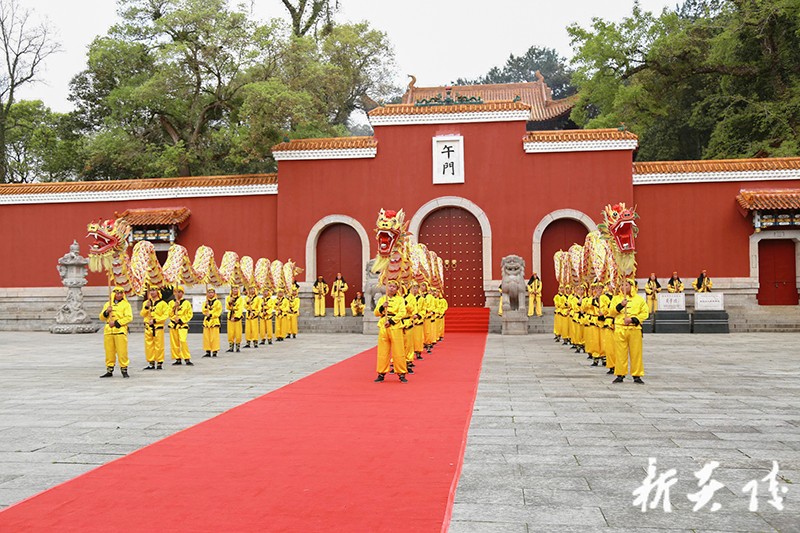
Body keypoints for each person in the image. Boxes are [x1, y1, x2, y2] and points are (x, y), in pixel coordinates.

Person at [609, 279, 649, 384]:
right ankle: (620, 374)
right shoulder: (616, 298)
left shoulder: (639, 299)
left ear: (631, 286)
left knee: (636, 353)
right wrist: (620, 305)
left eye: (626, 285)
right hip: (620, 328)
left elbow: (645, 313)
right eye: (622, 285)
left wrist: (633, 319)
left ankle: (637, 375)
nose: (623, 287)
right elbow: (611, 312)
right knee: (620, 353)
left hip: (634, 329)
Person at [373, 280, 408, 383]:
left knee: (398, 350)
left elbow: (402, 312)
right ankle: (381, 373)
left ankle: (401, 373)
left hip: (395, 325)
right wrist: (381, 307)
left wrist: (392, 321)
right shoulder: (383, 299)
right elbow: (376, 313)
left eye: (394, 287)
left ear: (397, 289)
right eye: (390, 286)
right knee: (382, 351)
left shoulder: (400, 300)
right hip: (384, 324)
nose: (391, 288)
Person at [99, 286, 133, 378]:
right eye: (117, 293)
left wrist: (116, 322)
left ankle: (124, 369)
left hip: (120, 330)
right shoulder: (108, 304)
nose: (119, 295)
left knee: (122, 351)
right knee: (109, 351)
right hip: (108, 331)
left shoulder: (126, 305)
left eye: (121, 293)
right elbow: (101, 317)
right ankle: (109, 369)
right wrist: (107, 311)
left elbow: (129, 317)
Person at [141, 286, 169, 370]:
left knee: (159, 345)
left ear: (158, 292)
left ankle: (159, 362)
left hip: (158, 328)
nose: (152, 292)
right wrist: (146, 307)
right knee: (149, 346)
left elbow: (165, 315)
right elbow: (142, 314)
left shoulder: (163, 303)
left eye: (154, 290)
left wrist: (156, 320)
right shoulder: (146, 302)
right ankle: (151, 362)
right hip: (148, 327)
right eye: (150, 291)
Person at [169, 285, 193, 366]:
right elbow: (169, 313)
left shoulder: (186, 303)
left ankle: (186, 358)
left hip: (182, 325)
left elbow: (189, 314)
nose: (177, 294)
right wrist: (174, 308)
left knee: (183, 341)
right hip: (174, 325)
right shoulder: (171, 303)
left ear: (182, 293)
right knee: (174, 342)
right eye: (176, 292)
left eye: (179, 292)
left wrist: (181, 319)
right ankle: (177, 358)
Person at [202, 286, 222, 357]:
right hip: (207, 321)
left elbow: (218, 311)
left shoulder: (217, 302)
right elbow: (203, 311)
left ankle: (214, 350)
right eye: (209, 292)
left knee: (214, 337)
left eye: (212, 292)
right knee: (206, 337)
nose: (210, 294)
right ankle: (207, 350)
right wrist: (205, 309)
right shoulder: (206, 302)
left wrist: (211, 314)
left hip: (214, 320)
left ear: (214, 293)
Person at [226, 285, 244, 352]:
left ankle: (238, 346)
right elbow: (227, 307)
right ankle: (231, 346)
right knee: (230, 332)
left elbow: (240, 308)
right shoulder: (229, 297)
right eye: (233, 289)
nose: (235, 290)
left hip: (237, 317)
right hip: (230, 316)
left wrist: (236, 317)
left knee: (238, 332)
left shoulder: (240, 299)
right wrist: (229, 302)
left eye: (236, 289)